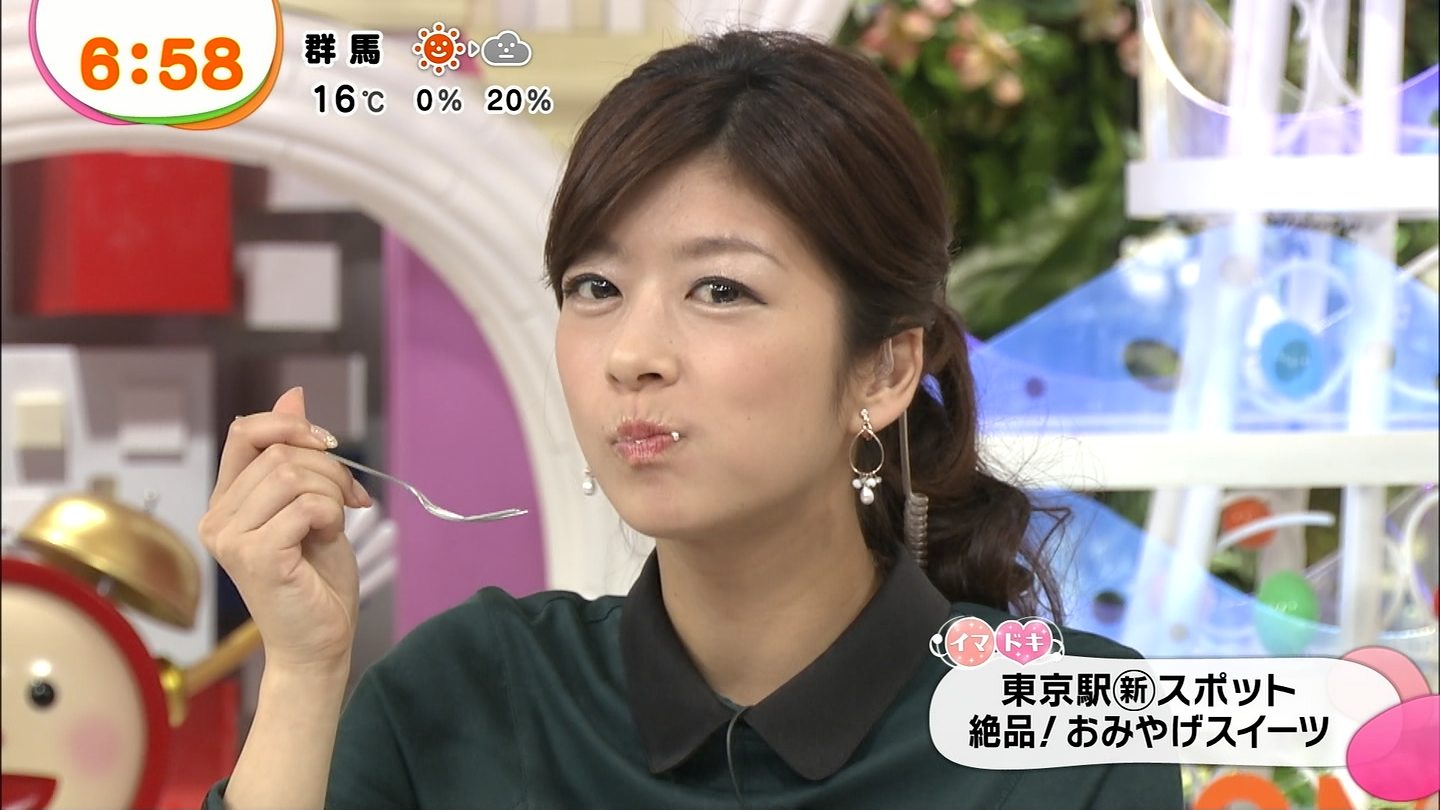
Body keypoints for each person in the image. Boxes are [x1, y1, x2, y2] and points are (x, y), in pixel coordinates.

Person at [201, 29, 1183, 810]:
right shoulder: (467, 695)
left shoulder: (1071, 739)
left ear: (884, 369)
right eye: (595, 286)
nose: (632, 353)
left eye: (720, 289)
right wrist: (303, 668)